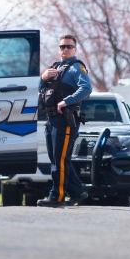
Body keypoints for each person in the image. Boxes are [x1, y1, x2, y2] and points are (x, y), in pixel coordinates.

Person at [37, 35, 92, 208]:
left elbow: (86, 88)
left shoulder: (76, 68)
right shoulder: (55, 67)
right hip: (52, 119)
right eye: (62, 46)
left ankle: (57, 197)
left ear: (75, 49)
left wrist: (66, 101)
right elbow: (41, 90)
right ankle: (77, 192)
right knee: (57, 158)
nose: (65, 49)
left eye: (69, 46)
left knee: (59, 160)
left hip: (65, 120)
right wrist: (42, 78)